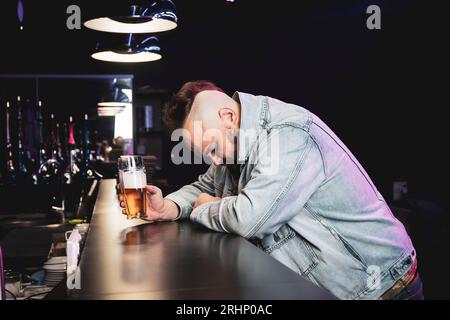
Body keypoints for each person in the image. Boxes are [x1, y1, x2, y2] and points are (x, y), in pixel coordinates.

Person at [118, 81, 422, 300]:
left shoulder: (288, 133)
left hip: (381, 287)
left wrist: (202, 208)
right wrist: (168, 206)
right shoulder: (233, 142)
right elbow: (205, 185)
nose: (213, 160)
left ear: (229, 117)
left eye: (211, 149)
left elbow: (251, 219)